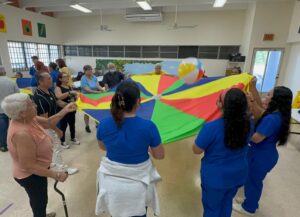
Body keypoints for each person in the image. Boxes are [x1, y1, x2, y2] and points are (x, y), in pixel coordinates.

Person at [95, 81, 165, 217]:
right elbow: (160, 155)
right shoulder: (149, 127)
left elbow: (102, 147)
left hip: (112, 185)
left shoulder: (103, 124)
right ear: (138, 101)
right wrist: (148, 146)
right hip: (138, 187)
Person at [1, 92, 76, 217]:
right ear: (22, 113)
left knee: (40, 199)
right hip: (30, 175)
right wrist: (56, 175)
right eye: (31, 104)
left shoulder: (29, 118)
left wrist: (65, 110)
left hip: (38, 170)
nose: (35, 105)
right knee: (39, 201)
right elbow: (29, 166)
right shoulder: (21, 134)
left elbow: (47, 122)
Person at [233, 78, 293, 215]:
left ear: (277, 100)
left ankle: (249, 208)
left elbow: (256, 138)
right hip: (263, 154)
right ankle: (251, 201)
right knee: (253, 180)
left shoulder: (272, 119)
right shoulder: (277, 114)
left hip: (261, 156)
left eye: (269, 95)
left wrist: (243, 128)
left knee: (253, 181)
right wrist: (253, 90)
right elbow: (260, 108)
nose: (265, 98)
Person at [193, 88, 252, 217]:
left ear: (221, 105)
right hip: (238, 174)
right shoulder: (248, 124)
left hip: (216, 178)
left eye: (219, 99)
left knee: (212, 208)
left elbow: (196, 150)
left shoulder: (211, 127)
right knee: (226, 203)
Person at [33, 72, 78, 174]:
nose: (51, 80)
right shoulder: (39, 97)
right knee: (57, 146)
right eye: (48, 78)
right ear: (40, 81)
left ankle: (51, 162)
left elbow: (58, 102)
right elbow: (45, 122)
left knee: (50, 146)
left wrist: (69, 105)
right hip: (47, 127)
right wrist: (57, 130)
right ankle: (62, 169)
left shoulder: (49, 91)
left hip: (52, 122)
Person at [55, 73, 80, 146]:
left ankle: (73, 138)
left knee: (72, 124)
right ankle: (62, 141)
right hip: (63, 110)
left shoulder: (69, 86)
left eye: (67, 76)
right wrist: (69, 92)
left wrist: (76, 98)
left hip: (71, 109)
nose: (67, 78)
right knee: (63, 125)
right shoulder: (58, 87)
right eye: (65, 77)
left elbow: (73, 96)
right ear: (60, 79)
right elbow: (59, 97)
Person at [80, 65, 105, 133]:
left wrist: (102, 90)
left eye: (91, 69)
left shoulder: (94, 77)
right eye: (89, 70)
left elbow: (97, 85)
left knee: (96, 110)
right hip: (86, 97)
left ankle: (97, 124)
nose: (91, 71)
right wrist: (97, 92)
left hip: (95, 97)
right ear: (85, 71)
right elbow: (87, 89)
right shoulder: (83, 78)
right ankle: (87, 126)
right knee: (87, 112)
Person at [0, 66, 20, 152]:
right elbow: (18, 94)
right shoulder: (11, 81)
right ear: (4, 71)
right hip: (11, 106)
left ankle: (3, 145)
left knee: (2, 127)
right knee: (15, 125)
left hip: (0, 108)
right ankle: (16, 143)